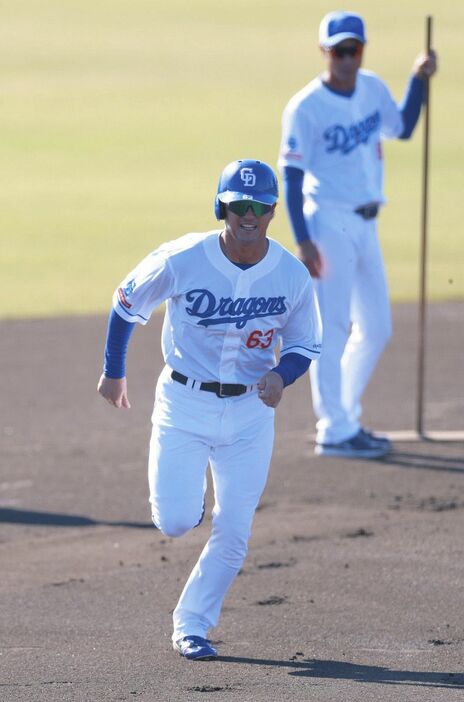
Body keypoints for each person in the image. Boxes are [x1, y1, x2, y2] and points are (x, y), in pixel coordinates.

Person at [97, 159, 322, 660]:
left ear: (271, 211)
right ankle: (188, 503)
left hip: (249, 415)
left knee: (235, 530)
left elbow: (306, 345)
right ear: (221, 206)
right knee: (176, 521)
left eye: (258, 206)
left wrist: (280, 375)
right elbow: (126, 303)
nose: (248, 215)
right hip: (183, 403)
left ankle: (192, 624)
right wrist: (114, 371)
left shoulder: (290, 274)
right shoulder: (183, 258)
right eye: (238, 205)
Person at [278, 11, 437, 459]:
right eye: (339, 51)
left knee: (377, 327)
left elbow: (402, 126)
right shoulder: (306, 106)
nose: (347, 58)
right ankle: (336, 428)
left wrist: (419, 80)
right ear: (325, 52)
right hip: (328, 220)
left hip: (367, 222)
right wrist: (303, 239)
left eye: (354, 49)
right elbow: (290, 175)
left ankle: (343, 414)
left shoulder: (371, 87)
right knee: (333, 328)